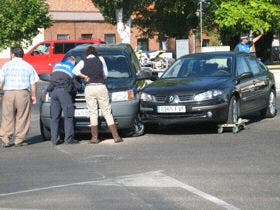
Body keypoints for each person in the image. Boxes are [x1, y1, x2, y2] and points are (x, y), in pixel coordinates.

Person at [73, 46, 123, 144]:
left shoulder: (83, 61)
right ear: (95, 53)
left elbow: (74, 71)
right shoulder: (100, 59)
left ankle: (95, 138)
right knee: (107, 112)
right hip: (101, 86)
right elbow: (106, 74)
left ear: (86, 54)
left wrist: (85, 76)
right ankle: (116, 136)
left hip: (89, 88)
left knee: (93, 112)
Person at [0, 46, 39, 148]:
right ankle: (19, 140)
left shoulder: (6, 65)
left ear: (12, 55)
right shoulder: (28, 66)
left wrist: (0, 92)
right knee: (22, 116)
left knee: (7, 116)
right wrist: (34, 95)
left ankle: (5, 139)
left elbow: (1, 81)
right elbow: (33, 83)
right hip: (23, 93)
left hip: (9, 93)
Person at [48, 56, 80, 145]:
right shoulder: (72, 67)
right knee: (68, 116)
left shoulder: (57, 65)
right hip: (64, 93)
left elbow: (52, 80)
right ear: (73, 62)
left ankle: (54, 140)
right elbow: (76, 84)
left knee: (54, 117)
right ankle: (68, 139)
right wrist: (80, 88)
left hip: (54, 92)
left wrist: (48, 91)